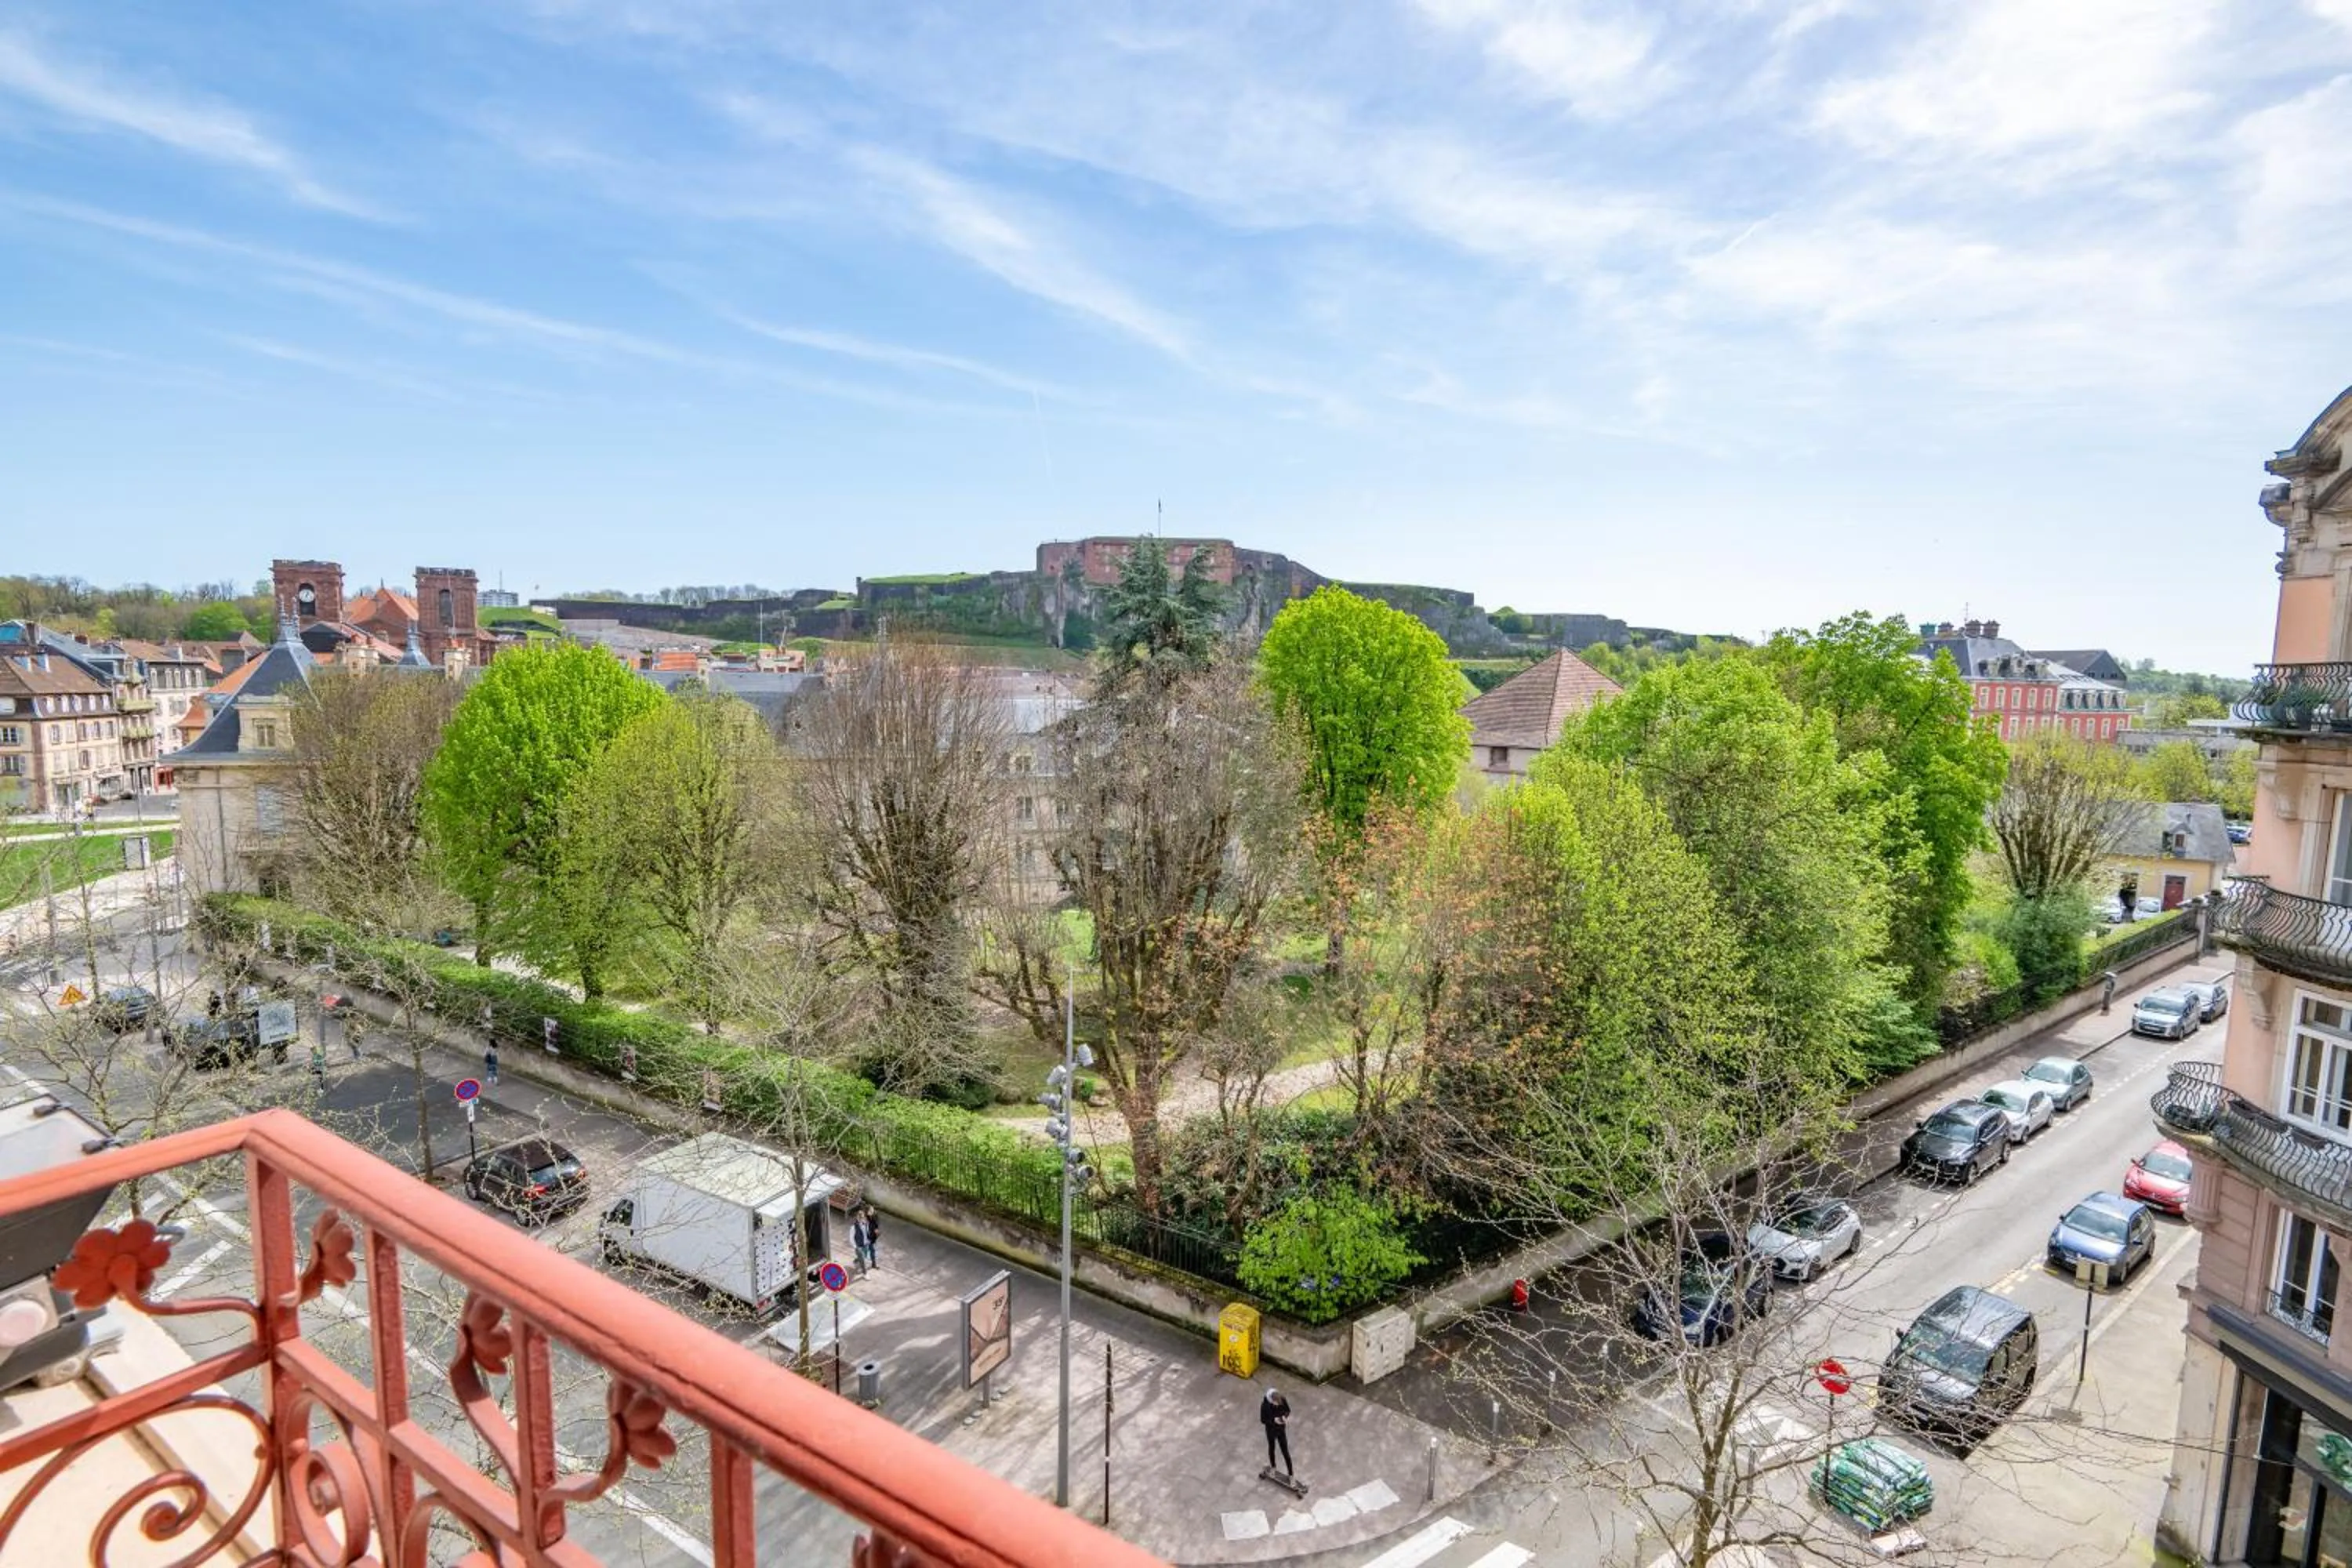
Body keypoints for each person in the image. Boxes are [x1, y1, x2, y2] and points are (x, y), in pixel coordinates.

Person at [1260, 1386, 1294, 1479]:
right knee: (1272, 1448)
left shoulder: (1282, 1399)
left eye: (1278, 1404)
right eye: (1275, 1403)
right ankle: (1273, 1467)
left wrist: (1284, 1417)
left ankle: (1291, 1475)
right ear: (1271, 1400)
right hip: (1271, 1431)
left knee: (1285, 1452)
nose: (1277, 1405)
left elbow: (1287, 1410)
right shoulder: (1265, 1405)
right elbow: (1263, 1420)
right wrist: (1273, 1420)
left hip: (1281, 1429)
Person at [851, 1210, 873, 1276]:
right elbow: (851, 1238)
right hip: (859, 1246)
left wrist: (869, 1240)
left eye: (862, 1217)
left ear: (863, 1217)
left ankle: (856, 1260)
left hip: (865, 1244)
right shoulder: (853, 1228)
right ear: (857, 1218)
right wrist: (856, 1247)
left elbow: (867, 1232)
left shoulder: (866, 1224)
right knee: (863, 1260)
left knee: (865, 1256)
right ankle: (865, 1273)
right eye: (859, 1217)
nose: (861, 1219)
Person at [859, 1205, 880, 1270]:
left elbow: (876, 1226)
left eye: (872, 1210)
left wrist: (876, 1232)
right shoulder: (865, 1217)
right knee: (864, 1251)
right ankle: (859, 1259)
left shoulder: (875, 1216)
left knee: (872, 1251)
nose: (872, 1211)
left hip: (871, 1238)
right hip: (866, 1237)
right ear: (867, 1212)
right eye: (870, 1211)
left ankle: (874, 1264)